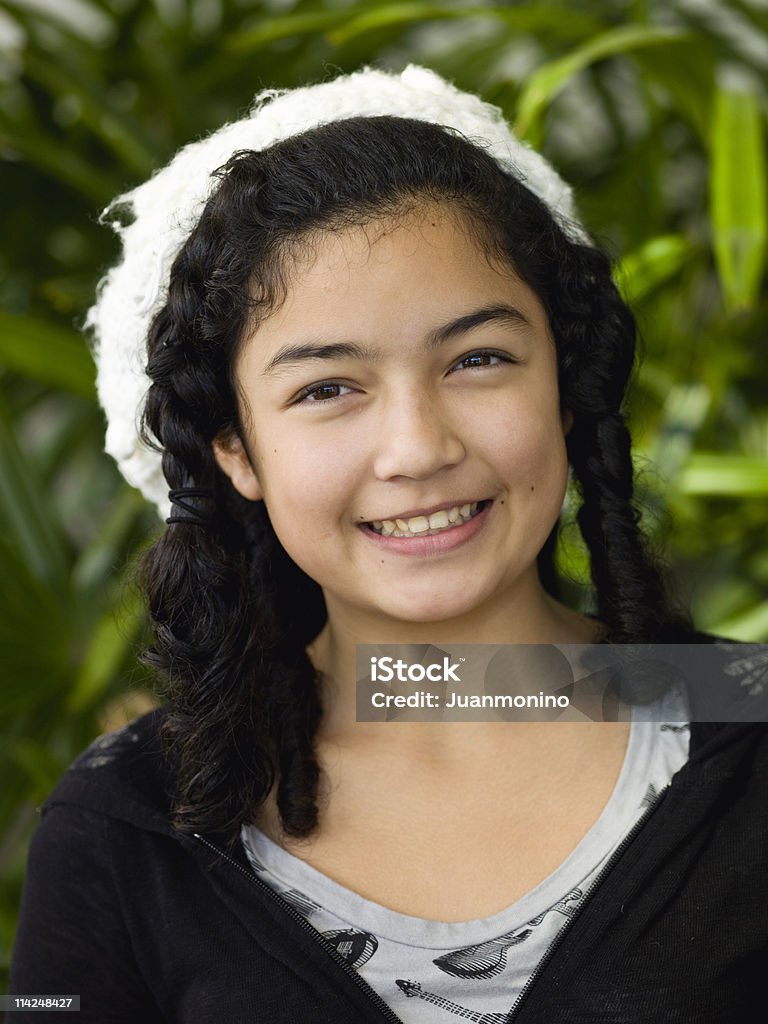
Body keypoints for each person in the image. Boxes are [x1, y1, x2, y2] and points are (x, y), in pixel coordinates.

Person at [8, 66, 768, 1023]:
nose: (418, 449)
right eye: (327, 387)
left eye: (477, 360)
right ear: (235, 448)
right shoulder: (124, 825)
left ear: (565, 385)